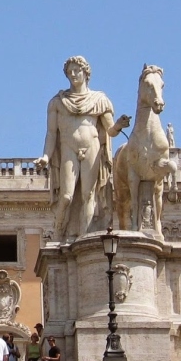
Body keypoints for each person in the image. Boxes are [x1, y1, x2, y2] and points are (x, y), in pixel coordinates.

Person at [35, 56, 130, 241]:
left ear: (86, 72)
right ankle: (58, 234)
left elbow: (110, 131)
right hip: (68, 148)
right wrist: (46, 156)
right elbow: (51, 133)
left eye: (76, 70)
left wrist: (118, 125)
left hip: (92, 147)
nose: (72, 74)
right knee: (67, 196)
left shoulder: (99, 99)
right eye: (69, 72)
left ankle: (84, 238)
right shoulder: (57, 102)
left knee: (89, 194)